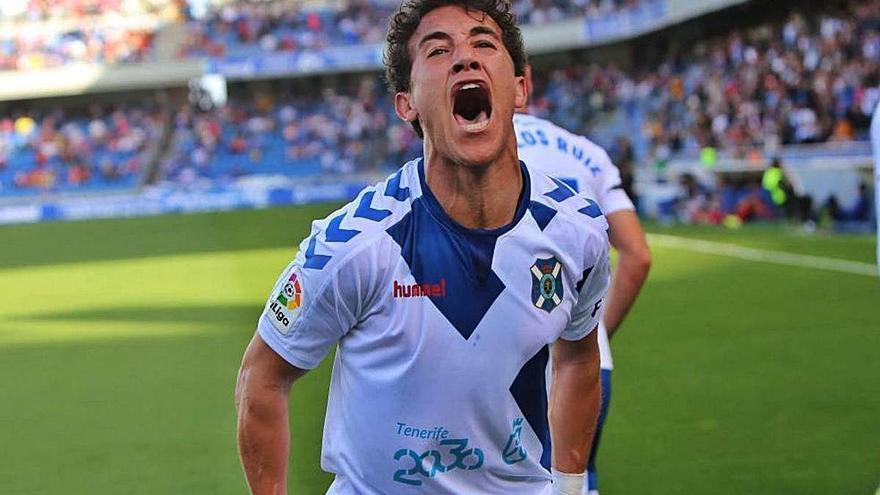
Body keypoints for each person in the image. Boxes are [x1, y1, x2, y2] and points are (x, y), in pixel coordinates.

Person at [235, 1, 611, 494]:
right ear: (406, 102)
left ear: (520, 86)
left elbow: (579, 357)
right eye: (438, 51)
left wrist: (569, 485)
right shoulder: (353, 246)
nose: (464, 59)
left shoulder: (577, 232)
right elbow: (262, 376)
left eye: (483, 44)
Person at [515, 76, 651, 495]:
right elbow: (638, 256)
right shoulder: (588, 153)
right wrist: (592, 336)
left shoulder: (474, 148)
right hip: (587, 363)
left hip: (509, 356)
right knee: (576, 482)